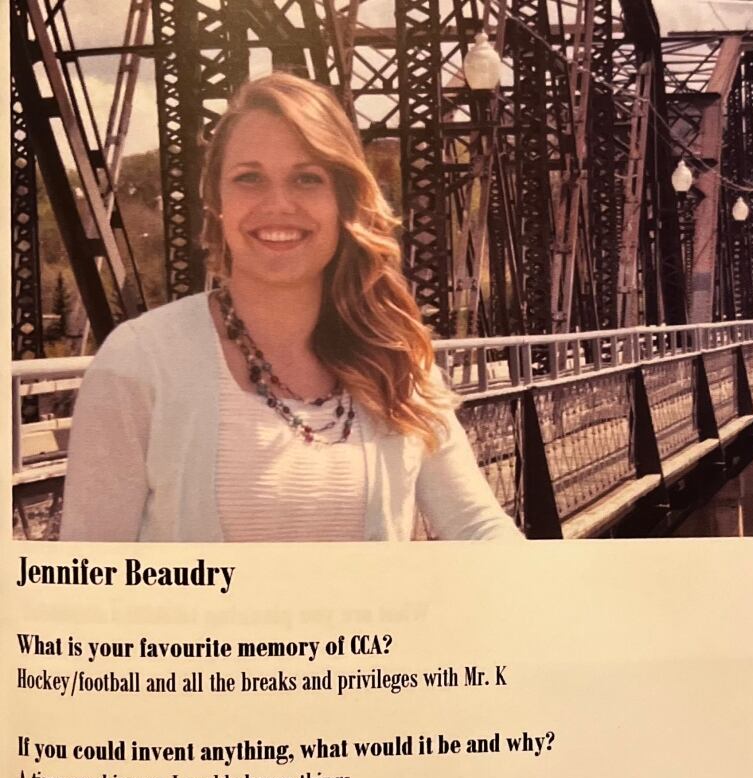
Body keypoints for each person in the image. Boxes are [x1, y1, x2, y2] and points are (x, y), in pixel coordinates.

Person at [60, 73, 522, 542]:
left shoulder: (393, 361)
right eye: (249, 178)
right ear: (216, 202)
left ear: (344, 200)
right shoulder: (141, 363)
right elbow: (91, 575)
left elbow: (476, 526)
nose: (278, 204)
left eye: (306, 178)